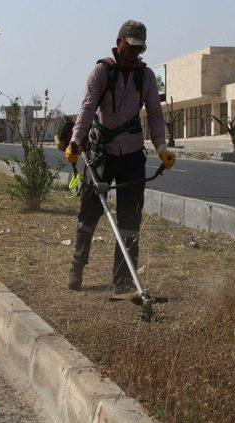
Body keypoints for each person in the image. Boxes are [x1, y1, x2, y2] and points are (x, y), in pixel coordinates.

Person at [66, 20, 176, 293]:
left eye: (139, 49)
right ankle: (77, 267)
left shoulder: (146, 76)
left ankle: (123, 279)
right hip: (103, 151)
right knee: (89, 214)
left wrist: (161, 147)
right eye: (131, 47)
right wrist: (76, 141)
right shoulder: (101, 71)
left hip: (132, 154)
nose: (135, 54)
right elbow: (88, 107)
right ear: (119, 42)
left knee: (130, 219)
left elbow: (154, 113)